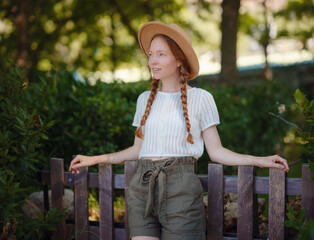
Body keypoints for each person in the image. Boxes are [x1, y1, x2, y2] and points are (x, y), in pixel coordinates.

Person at [69, 21, 289, 240]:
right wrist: (94, 159)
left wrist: (260, 160)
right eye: (151, 54)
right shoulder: (144, 99)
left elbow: (217, 152)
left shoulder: (201, 98)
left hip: (181, 189)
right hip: (142, 187)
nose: (152, 60)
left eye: (161, 54)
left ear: (178, 59)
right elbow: (137, 150)